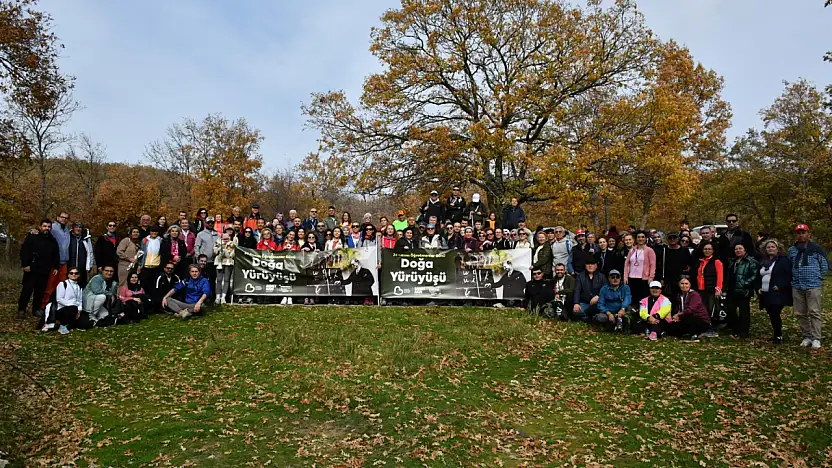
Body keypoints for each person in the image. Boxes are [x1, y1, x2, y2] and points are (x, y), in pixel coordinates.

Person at [788, 224, 828, 349]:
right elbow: (789, 265)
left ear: (808, 234)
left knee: (814, 312)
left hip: (812, 285)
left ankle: (816, 338)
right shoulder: (792, 250)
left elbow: (824, 265)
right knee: (800, 313)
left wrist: (818, 278)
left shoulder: (816, 248)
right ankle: (807, 336)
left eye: (803, 232)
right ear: (796, 235)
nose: (801, 235)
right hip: (797, 285)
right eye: (799, 233)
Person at [17, 220, 59, 319]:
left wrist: (56, 267)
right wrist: (25, 264)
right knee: (26, 291)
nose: (47, 228)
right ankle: (21, 310)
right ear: (40, 227)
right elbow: (24, 251)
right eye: (44, 226)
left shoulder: (52, 240)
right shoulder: (32, 238)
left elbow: (56, 254)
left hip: (44, 270)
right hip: (31, 269)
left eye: (49, 227)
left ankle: (35, 310)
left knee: (39, 292)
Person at [755, 240, 792, 344]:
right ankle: (776, 334)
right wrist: (758, 288)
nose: (770, 249)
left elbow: (788, 275)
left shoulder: (783, 261)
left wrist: (781, 285)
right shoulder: (763, 262)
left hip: (777, 293)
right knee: (771, 313)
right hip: (765, 292)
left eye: (773, 247)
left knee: (775, 312)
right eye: (768, 247)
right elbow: (758, 276)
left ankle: (779, 335)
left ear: (778, 249)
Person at [725, 244, 759, 339]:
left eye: (740, 248)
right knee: (731, 310)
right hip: (732, 290)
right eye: (736, 249)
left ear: (745, 250)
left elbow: (754, 275)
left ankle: (744, 332)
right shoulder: (732, 261)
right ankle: (735, 330)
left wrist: (744, 283)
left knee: (744, 312)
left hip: (744, 290)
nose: (738, 250)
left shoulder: (751, 261)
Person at [668, 277, 711, 342]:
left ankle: (694, 336)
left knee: (688, 317)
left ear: (690, 285)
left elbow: (691, 310)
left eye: (686, 284)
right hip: (686, 318)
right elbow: (680, 309)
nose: (684, 286)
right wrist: (676, 317)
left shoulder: (694, 295)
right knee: (673, 326)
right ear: (679, 284)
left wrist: (679, 315)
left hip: (700, 320)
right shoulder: (679, 295)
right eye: (682, 283)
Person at [42, 211, 71, 310]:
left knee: (62, 286)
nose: (64, 219)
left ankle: (58, 306)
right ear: (58, 217)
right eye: (62, 217)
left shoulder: (67, 230)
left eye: (66, 218)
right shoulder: (52, 227)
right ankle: (44, 306)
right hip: (54, 262)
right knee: (50, 285)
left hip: (64, 262)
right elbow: (42, 233)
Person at [695, 242, 723, 338]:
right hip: (701, 289)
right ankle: (706, 327)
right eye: (705, 249)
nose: (707, 251)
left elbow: (720, 276)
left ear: (713, 250)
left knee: (713, 309)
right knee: (704, 309)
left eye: (709, 249)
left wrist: (718, 289)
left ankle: (714, 328)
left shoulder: (716, 261)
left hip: (711, 289)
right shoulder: (700, 261)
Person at [624, 231, 656, 309]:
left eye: (642, 237)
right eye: (639, 237)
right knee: (633, 300)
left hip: (643, 279)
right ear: (636, 239)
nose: (640, 239)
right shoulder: (632, 250)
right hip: (631, 278)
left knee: (643, 300)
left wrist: (651, 277)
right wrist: (625, 277)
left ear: (645, 238)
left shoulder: (649, 250)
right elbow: (626, 264)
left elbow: (653, 265)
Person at [661, 233, 694, 297]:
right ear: (667, 240)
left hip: (681, 279)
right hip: (668, 280)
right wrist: (661, 279)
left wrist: (688, 269)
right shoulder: (664, 250)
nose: (672, 239)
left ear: (678, 239)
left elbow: (690, 263)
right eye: (670, 238)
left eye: (674, 238)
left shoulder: (684, 250)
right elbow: (661, 266)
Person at [52, 268, 84, 334]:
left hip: (75, 309)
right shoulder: (63, 284)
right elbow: (59, 299)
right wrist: (71, 304)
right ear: (68, 275)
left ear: (79, 275)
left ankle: (70, 324)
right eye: (71, 273)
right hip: (63, 309)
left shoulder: (79, 287)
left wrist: (79, 310)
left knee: (84, 323)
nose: (74, 275)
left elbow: (80, 300)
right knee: (72, 308)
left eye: (76, 273)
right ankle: (62, 325)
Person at [195, 217, 219, 302]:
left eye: (212, 223)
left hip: (214, 262)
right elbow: (197, 246)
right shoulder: (200, 234)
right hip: (203, 262)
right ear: (206, 223)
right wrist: (198, 258)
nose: (210, 224)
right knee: (202, 279)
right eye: (209, 223)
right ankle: (201, 297)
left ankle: (212, 296)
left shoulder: (217, 234)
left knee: (212, 279)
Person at [139, 225, 164, 304]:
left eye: (155, 231)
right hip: (146, 266)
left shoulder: (160, 240)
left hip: (156, 266)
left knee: (155, 286)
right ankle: (145, 303)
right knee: (145, 285)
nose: (154, 233)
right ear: (150, 232)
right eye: (152, 231)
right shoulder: (145, 240)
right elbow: (141, 252)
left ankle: (154, 304)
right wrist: (140, 264)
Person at [66, 222, 94, 288]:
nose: (78, 229)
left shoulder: (86, 238)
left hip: (82, 267)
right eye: (76, 227)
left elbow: (90, 252)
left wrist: (89, 265)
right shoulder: (68, 237)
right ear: (73, 228)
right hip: (70, 265)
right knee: (69, 284)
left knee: (81, 284)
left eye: (80, 227)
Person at [213, 227, 236, 304]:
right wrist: (220, 248)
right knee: (219, 280)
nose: (225, 240)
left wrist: (228, 254)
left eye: (227, 238)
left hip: (228, 262)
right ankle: (217, 297)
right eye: (224, 239)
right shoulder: (217, 242)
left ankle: (223, 297)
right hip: (219, 262)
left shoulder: (232, 243)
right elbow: (215, 252)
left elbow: (233, 254)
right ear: (221, 238)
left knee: (227, 279)